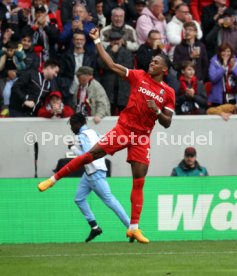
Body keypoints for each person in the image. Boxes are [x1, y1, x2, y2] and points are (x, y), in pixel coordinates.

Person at [38, 27, 176, 244]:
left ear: (165, 69)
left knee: (139, 181)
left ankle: (134, 228)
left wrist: (157, 111)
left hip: (141, 137)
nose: (152, 63)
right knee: (90, 155)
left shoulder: (168, 93)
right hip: (124, 129)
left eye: (157, 62)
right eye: (152, 61)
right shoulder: (139, 76)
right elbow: (111, 65)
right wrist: (98, 41)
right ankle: (53, 179)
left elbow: (167, 123)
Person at [65, 112, 130, 242]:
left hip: (94, 172)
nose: (71, 129)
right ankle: (94, 227)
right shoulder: (93, 133)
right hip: (90, 173)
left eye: (72, 125)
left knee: (110, 201)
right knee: (79, 199)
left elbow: (88, 156)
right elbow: (104, 146)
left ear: (77, 124)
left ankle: (132, 227)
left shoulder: (83, 136)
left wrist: (73, 148)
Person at [97, 31, 134, 115]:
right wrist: (111, 53)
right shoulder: (105, 52)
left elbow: (127, 68)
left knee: (123, 114)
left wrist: (111, 66)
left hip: (123, 88)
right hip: (109, 87)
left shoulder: (127, 52)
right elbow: (101, 64)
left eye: (117, 39)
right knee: (109, 112)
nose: (116, 42)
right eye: (113, 40)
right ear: (110, 41)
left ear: (121, 40)